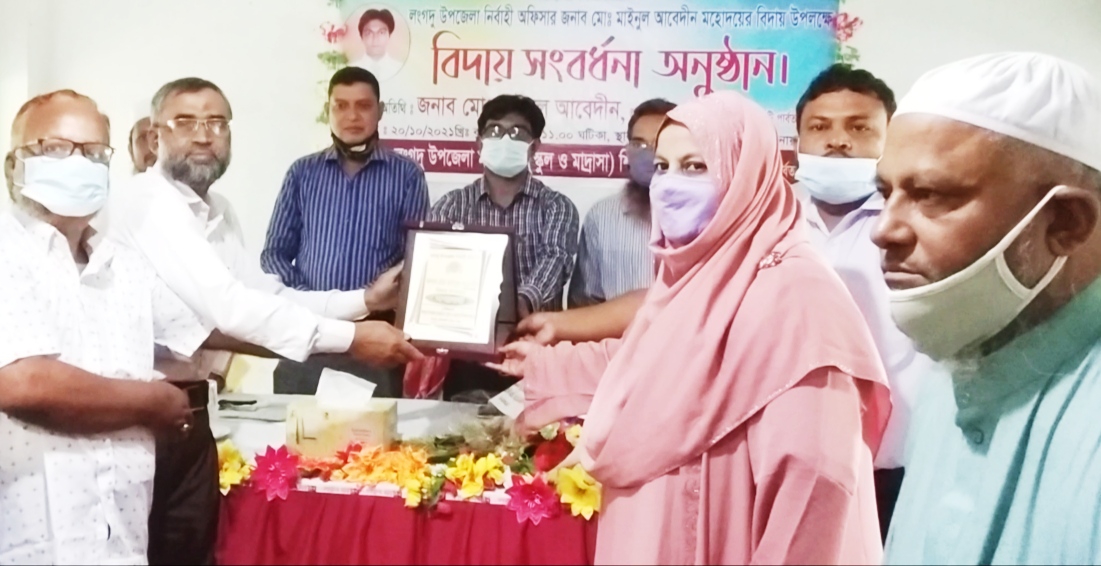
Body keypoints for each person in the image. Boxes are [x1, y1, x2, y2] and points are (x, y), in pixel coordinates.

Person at [492, 91, 890, 564]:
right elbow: (652, 362)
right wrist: (546, 363)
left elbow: (814, 477)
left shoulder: (798, 294)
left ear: (747, 176)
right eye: (663, 167)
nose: (670, 185)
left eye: (696, 167)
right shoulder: (697, 273)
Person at [105, 76, 422, 565]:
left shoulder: (218, 210)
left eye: (216, 123)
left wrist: (364, 299)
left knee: (191, 552)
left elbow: (266, 293)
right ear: (155, 136)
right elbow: (230, 307)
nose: (204, 135)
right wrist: (351, 338)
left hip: (192, 409)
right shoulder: (148, 202)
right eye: (186, 122)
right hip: (137, 412)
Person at [877, 53, 1101, 564]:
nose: (884, 229)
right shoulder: (952, 373)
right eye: (885, 192)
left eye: (929, 195)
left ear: (1066, 222)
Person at [0, 89, 210, 565]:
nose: (79, 164)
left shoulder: (124, 266)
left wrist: (349, 327)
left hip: (120, 535)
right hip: (30, 541)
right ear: (15, 166)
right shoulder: (7, 252)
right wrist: (153, 402)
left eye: (94, 153)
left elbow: (206, 326)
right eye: (56, 148)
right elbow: (24, 383)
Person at [792, 63, 940, 538]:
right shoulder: (769, 222)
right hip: (789, 457)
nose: (837, 141)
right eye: (820, 127)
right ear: (798, 140)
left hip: (896, 464)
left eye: (859, 128)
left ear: (889, 140)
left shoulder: (924, 225)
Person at [262, 67, 429, 396]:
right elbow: (274, 254)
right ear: (328, 110)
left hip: (375, 338)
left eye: (363, 106)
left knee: (375, 428)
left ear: (380, 111)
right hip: (309, 333)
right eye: (341, 106)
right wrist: (307, 301)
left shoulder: (407, 175)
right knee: (299, 424)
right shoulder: (302, 173)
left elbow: (417, 257)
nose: (352, 116)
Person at [420, 94, 579, 400]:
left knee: (538, 429)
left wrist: (517, 303)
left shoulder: (556, 206)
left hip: (534, 351)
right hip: (466, 355)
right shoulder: (452, 205)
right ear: (479, 143)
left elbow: (555, 259)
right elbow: (434, 266)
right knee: (462, 428)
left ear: (534, 146)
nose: (504, 139)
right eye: (494, 130)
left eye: (517, 132)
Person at [568, 99, 672, 307]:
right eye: (639, 144)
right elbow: (584, 302)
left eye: (659, 143)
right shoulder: (601, 216)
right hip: (617, 330)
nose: (648, 153)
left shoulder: (706, 215)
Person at [349, 9, 402, 80]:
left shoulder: (401, 69)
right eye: (369, 33)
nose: (375, 38)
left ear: (389, 36)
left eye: (381, 32)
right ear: (361, 37)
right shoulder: (350, 71)